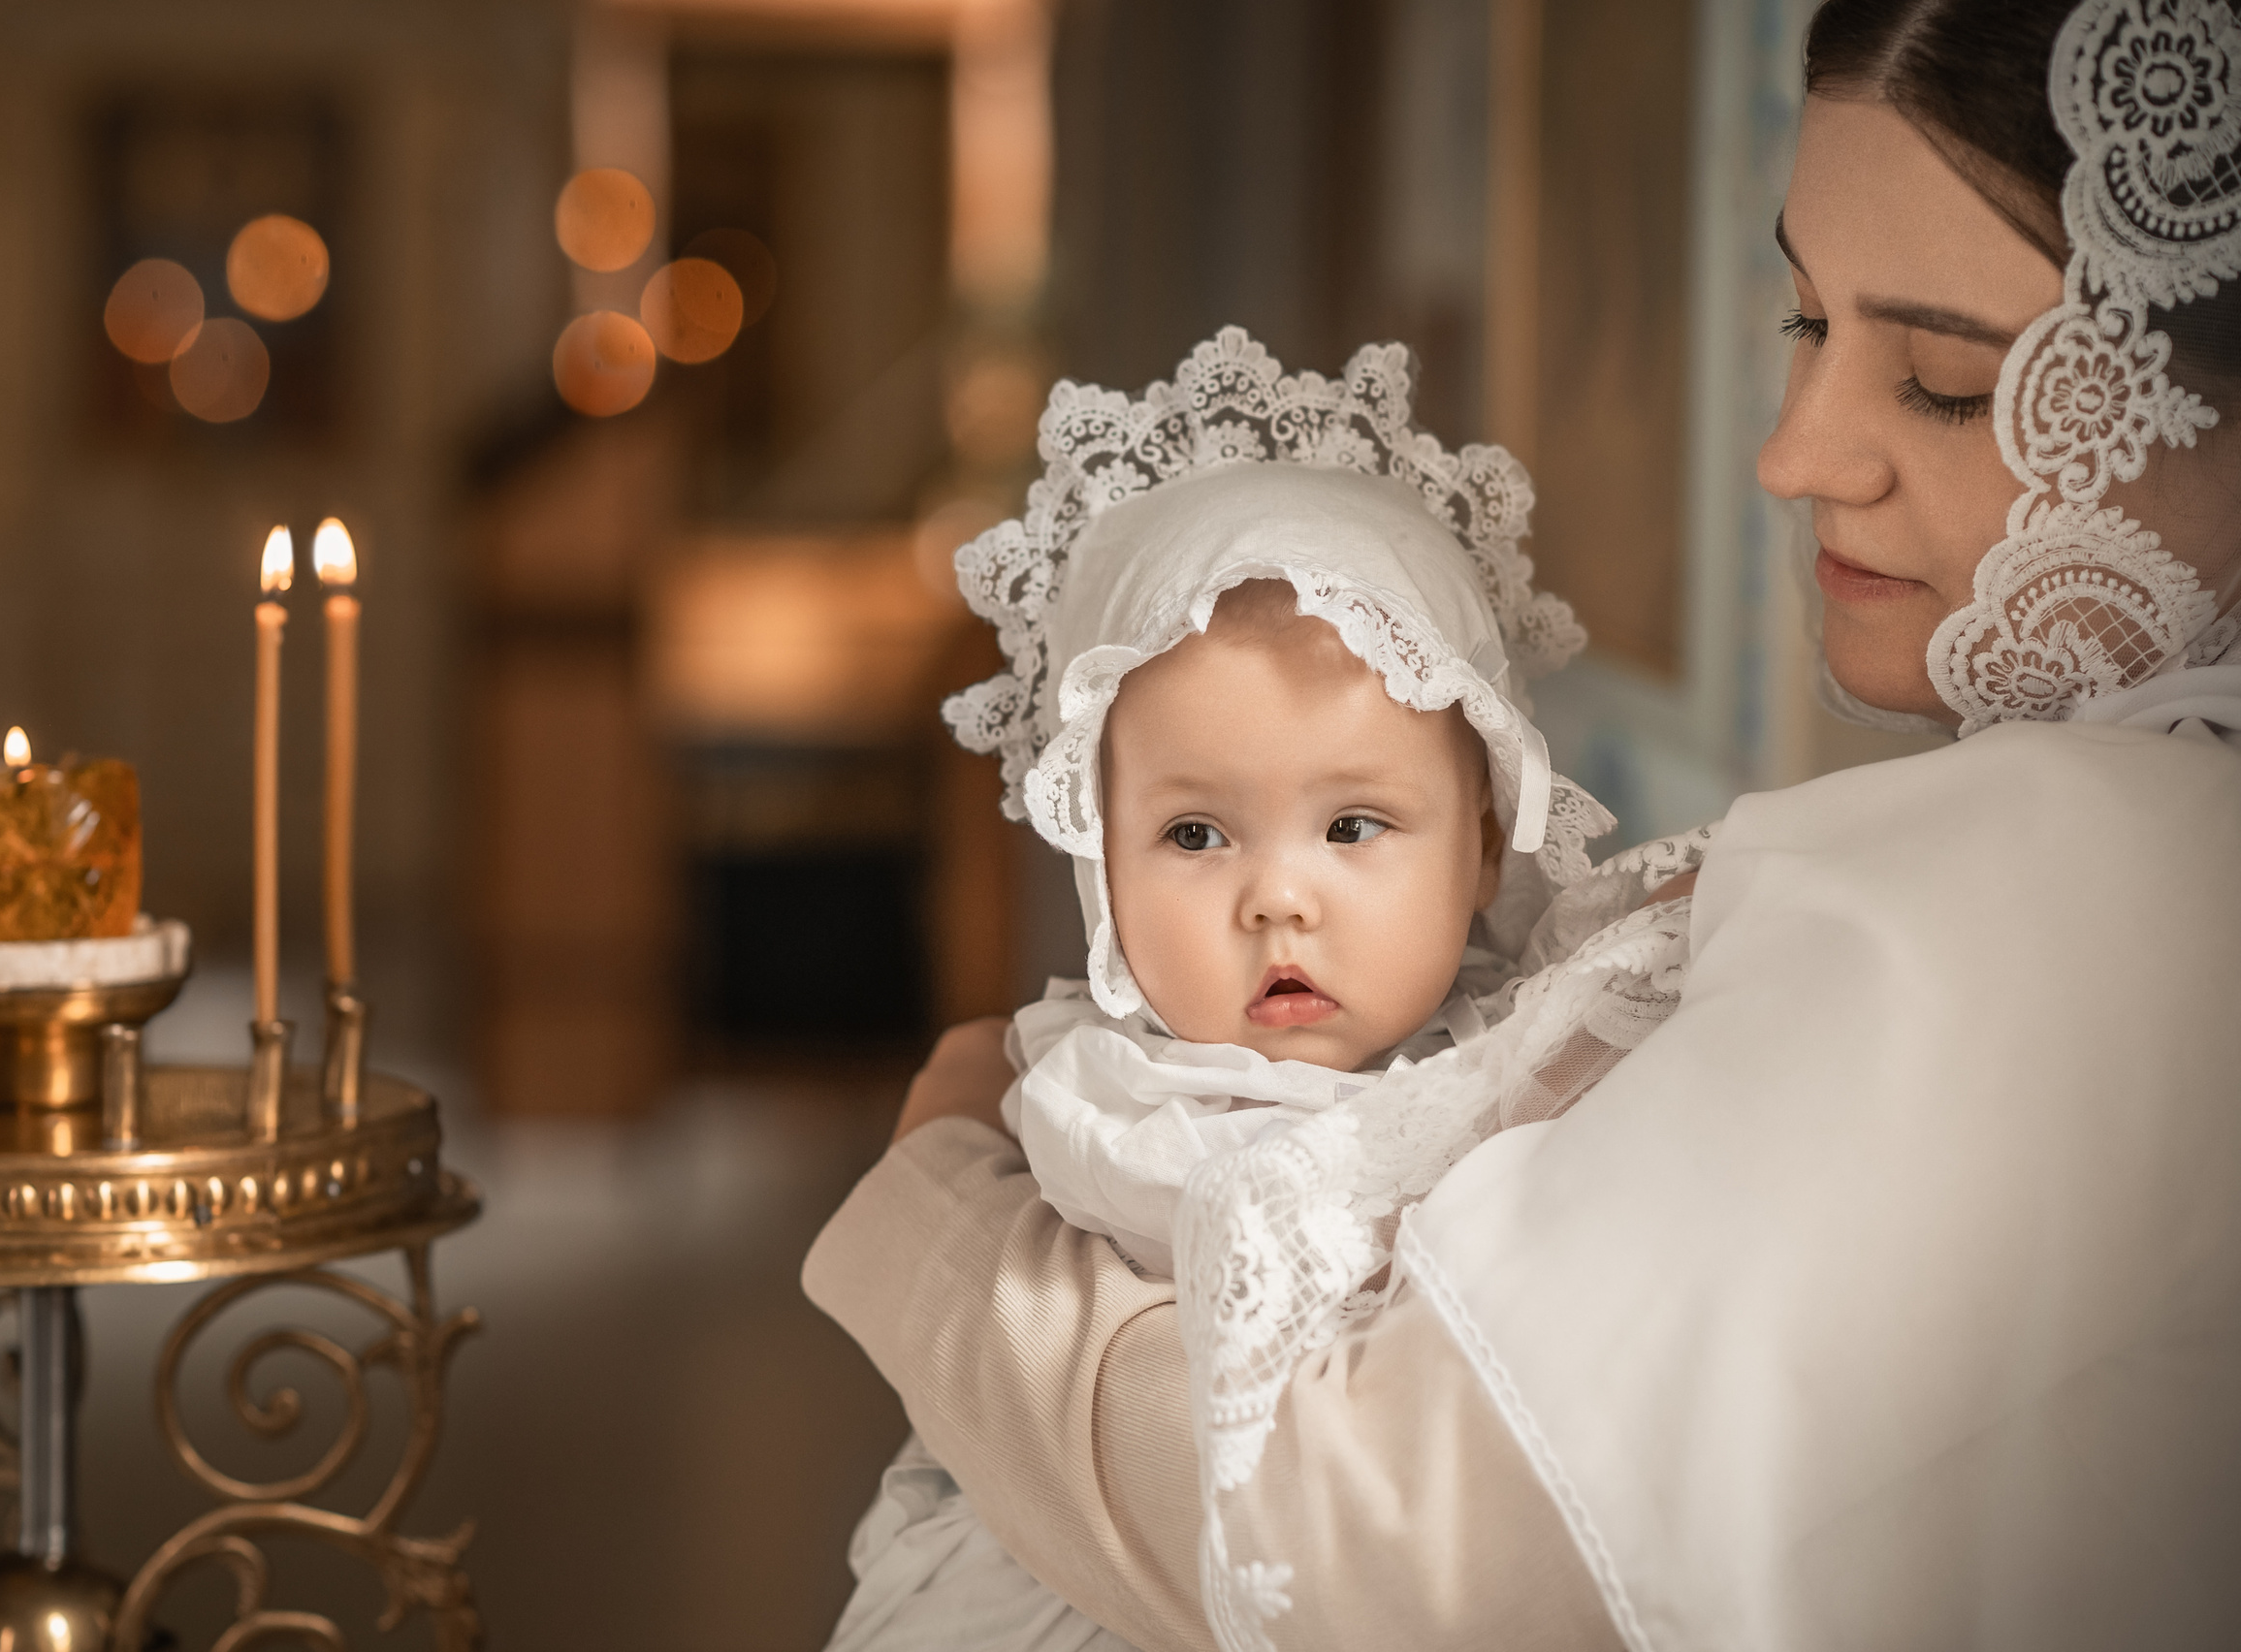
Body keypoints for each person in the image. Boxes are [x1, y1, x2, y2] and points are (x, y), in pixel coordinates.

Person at [805, 1, 2241, 1648]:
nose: (1792, 453)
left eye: (1943, 383)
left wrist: (940, 1196)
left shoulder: (2084, 891)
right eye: (1802, 318)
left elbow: (1353, 1556)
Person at [824, 354, 1704, 1650]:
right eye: (1193, 835)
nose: (1277, 900)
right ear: (1096, 861)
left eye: (1354, 825)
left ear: (1481, 840)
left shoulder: (1539, 1053)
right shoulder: (1121, 1099)